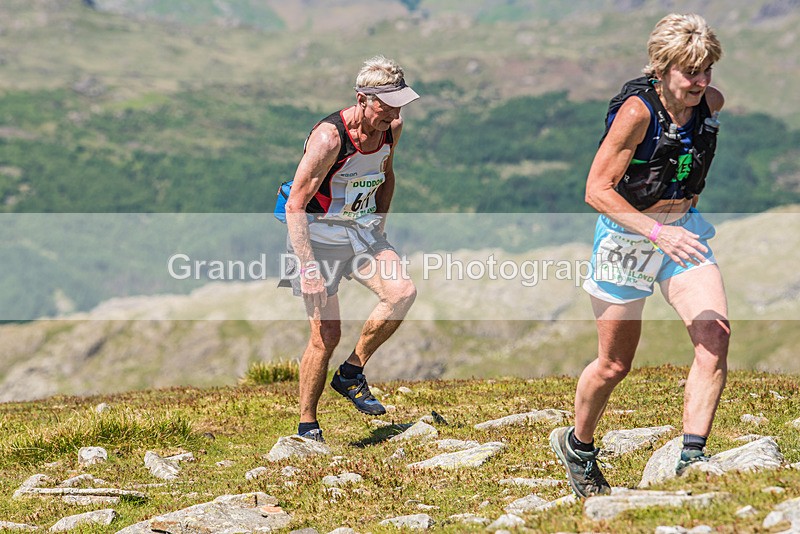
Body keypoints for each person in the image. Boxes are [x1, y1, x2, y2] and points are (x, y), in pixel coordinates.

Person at [550, 13, 729, 498]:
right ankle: (578, 445)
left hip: (683, 234)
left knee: (714, 335)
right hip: (627, 240)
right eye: (690, 72)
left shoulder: (710, 103)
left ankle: (692, 458)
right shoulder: (637, 113)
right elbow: (596, 189)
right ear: (662, 68)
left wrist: (673, 225)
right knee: (614, 365)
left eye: (707, 69)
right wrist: (655, 230)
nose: (701, 82)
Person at [279, 55, 419, 443]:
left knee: (402, 293)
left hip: (361, 231)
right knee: (326, 335)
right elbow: (295, 205)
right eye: (387, 106)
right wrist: (308, 268)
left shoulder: (391, 129)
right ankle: (307, 425)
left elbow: (386, 175)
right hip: (317, 238)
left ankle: (351, 372)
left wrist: (379, 226)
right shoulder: (329, 139)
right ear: (362, 99)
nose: (394, 114)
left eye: (399, 106)